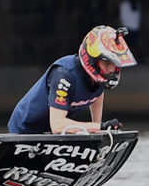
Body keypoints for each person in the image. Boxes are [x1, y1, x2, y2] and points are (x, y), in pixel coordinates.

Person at [8, 25, 136, 134]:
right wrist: (100, 126)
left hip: (50, 132)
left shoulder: (99, 78)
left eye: (115, 65)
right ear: (92, 60)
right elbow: (57, 125)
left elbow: (97, 93)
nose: (111, 70)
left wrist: (97, 127)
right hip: (24, 130)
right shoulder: (64, 74)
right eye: (107, 63)